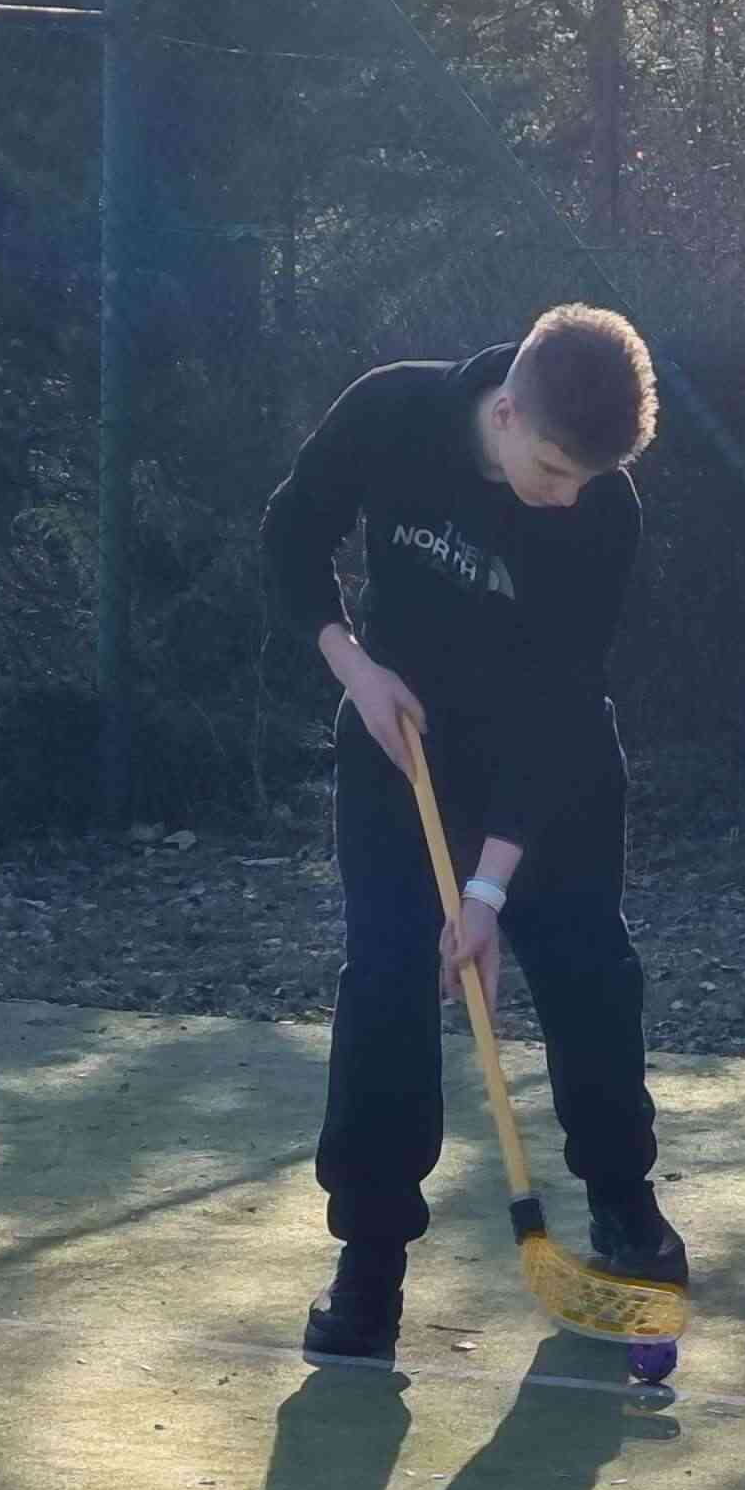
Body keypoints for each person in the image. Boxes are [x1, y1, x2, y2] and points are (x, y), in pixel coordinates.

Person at [260, 305, 687, 1362]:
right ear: (505, 414)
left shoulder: (602, 509)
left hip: (550, 762)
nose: (568, 494)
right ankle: (371, 1260)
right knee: (385, 984)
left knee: (589, 973)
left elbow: (561, 699)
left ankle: (623, 1202)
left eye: (587, 477)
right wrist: (355, 669)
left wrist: (489, 892)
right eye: (553, 469)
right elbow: (291, 532)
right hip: (399, 743)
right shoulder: (391, 411)